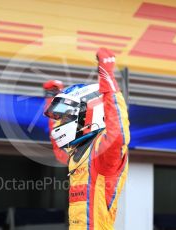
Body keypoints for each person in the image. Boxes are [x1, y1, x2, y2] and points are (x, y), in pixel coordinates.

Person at [43, 48, 130, 230]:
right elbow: (59, 151)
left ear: (88, 112)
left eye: (65, 117)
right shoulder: (78, 151)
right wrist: (51, 99)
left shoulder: (102, 152)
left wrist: (108, 78)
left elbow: (118, 134)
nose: (60, 124)